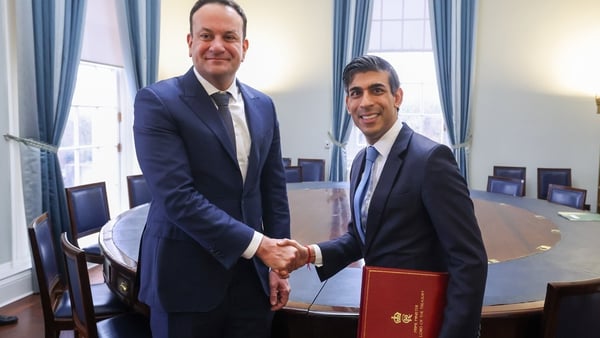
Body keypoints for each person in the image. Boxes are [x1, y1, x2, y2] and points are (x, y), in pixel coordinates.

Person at [282, 55, 488, 338]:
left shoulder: (430, 159)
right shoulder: (360, 163)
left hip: (425, 317)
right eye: (356, 93)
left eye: (376, 90)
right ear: (347, 103)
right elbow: (361, 239)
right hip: (386, 310)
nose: (365, 102)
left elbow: (468, 259)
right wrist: (309, 254)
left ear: (397, 96)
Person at [133, 1, 302, 337]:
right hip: (184, 279)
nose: (217, 46)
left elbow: (273, 189)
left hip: (252, 282)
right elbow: (177, 198)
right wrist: (260, 246)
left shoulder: (263, 105)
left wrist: (279, 267)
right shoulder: (157, 101)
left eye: (229, 36)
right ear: (190, 42)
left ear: (244, 46)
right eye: (206, 35)